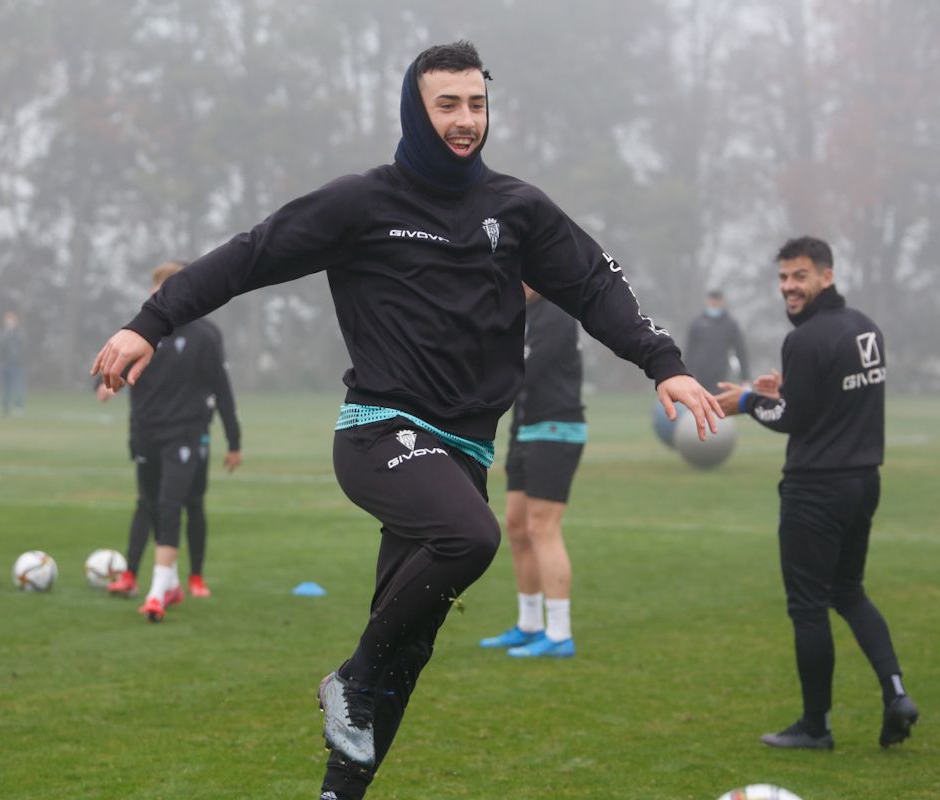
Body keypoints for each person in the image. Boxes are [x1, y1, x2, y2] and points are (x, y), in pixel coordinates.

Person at [92, 41, 721, 800]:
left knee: (408, 649)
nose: (465, 121)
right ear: (415, 110)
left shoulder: (517, 209)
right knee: (472, 538)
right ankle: (349, 679)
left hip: (462, 451)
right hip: (379, 430)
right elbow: (248, 256)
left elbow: (595, 282)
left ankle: (339, 786)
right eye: (447, 105)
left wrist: (665, 362)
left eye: (476, 104)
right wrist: (149, 324)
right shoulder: (361, 203)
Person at [715, 235, 919, 750]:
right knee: (849, 591)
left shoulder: (806, 339)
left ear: (827, 275)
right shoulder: (864, 329)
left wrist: (746, 402)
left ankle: (815, 726)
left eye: (799, 276)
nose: (789, 287)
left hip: (815, 489)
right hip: (863, 481)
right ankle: (896, 693)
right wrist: (781, 389)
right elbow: (833, 397)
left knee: (807, 607)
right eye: (783, 277)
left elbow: (795, 419)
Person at [96, 261, 241, 620]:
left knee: (173, 503)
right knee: (148, 502)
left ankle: (159, 590)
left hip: (188, 434)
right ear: (152, 292)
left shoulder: (205, 336)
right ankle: (158, 580)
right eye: (160, 290)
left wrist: (234, 440)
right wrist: (104, 384)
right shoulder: (140, 333)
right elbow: (109, 368)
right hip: (146, 433)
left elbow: (223, 390)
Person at [479, 283, 584, 658]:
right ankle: (529, 624)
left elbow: (523, 371)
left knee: (543, 527)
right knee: (518, 527)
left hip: (556, 429)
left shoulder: (557, 313)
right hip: (524, 430)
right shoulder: (519, 314)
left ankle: (559, 634)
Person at [685, 289, 749, 392]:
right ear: (707, 301)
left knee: (718, 403)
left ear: (722, 302)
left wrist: (744, 377)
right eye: (711, 301)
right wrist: (687, 373)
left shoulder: (730, 324)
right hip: (699, 374)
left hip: (720, 374)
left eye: (716, 302)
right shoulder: (697, 323)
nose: (714, 304)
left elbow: (740, 351)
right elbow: (690, 350)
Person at [0, 310, 26, 415]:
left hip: (16, 365)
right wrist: (0, 361)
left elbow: (22, 349)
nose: (9, 322)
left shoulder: (19, 334)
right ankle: (5, 407)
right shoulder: (3, 334)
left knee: (17, 386)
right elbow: (0, 349)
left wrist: (18, 360)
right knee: (5, 388)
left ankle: (18, 407)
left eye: (11, 320)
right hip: (4, 365)